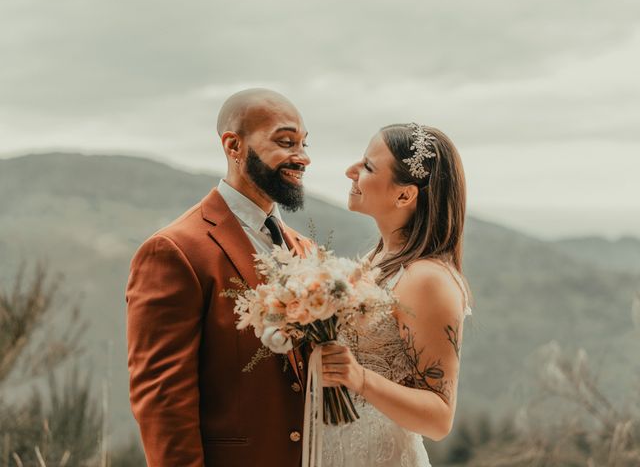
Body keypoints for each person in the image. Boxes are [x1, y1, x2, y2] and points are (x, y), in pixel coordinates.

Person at [126, 88, 312, 466]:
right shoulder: (174, 251)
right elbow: (164, 404)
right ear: (234, 146)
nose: (303, 157)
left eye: (304, 144)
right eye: (286, 142)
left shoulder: (305, 250)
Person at [320, 123, 472, 466]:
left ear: (404, 195)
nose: (351, 171)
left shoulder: (425, 280)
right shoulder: (375, 262)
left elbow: (439, 418)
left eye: (368, 166)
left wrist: (359, 378)